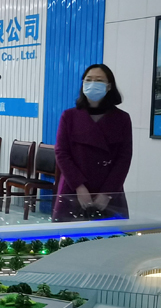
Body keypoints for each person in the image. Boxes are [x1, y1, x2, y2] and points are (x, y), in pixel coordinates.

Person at [53, 64, 132, 221]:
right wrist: (79, 187)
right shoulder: (69, 116)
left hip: (108, 191)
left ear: (109, 86)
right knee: (68, 235)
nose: (93, 84)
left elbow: (124, 158)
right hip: (73, 188)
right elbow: (61, 153)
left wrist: (107, 193)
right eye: (88, 80)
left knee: (110, 234)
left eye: (99, 80)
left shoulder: (122, 118)